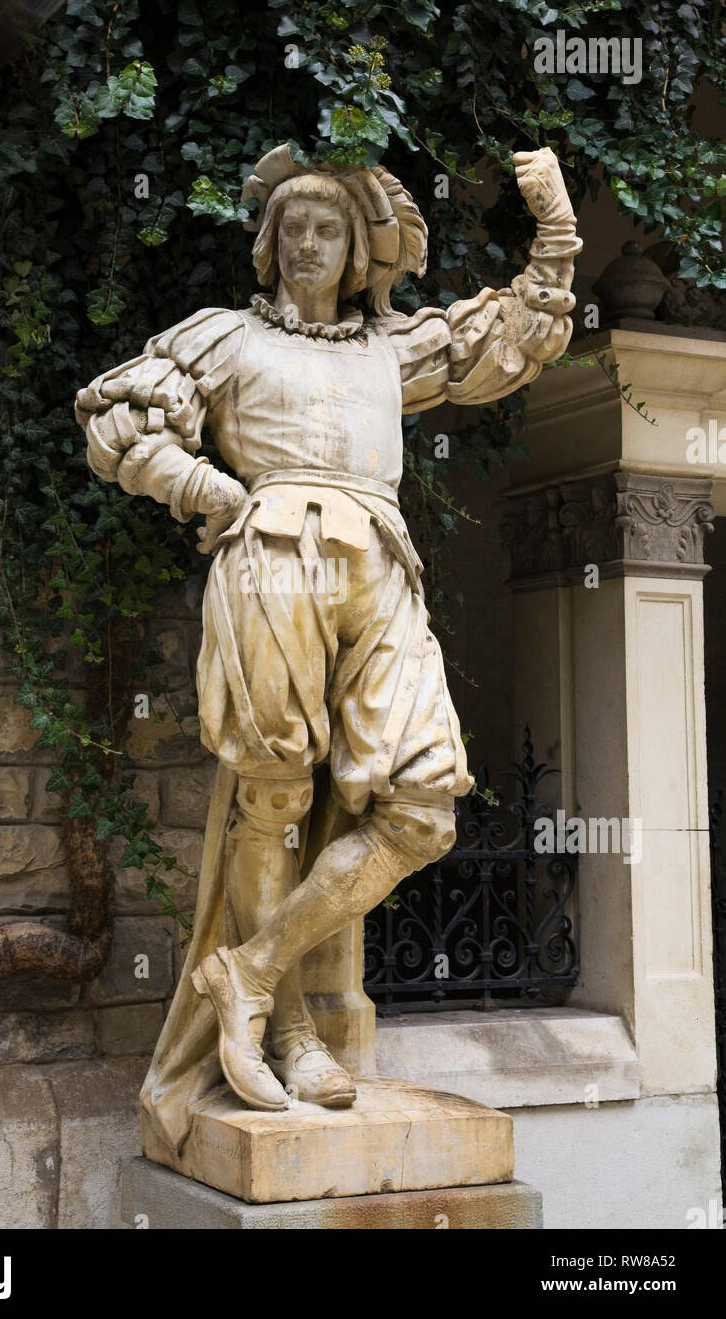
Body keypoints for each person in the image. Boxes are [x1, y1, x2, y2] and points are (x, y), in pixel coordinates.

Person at [75, 144, 581, 1151]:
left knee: (426, 801)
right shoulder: (221, 337)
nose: (308, 244)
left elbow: (502, 338)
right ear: (267, 246)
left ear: (357, 251)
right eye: (293, 229)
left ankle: (251, 968)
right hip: (270, 554)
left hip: (378, 563)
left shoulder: (386, 350)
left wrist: (557, 237)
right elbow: (117, 415)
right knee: (275, 793)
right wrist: (203, 487)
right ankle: (292, 1025)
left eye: (327, 230)